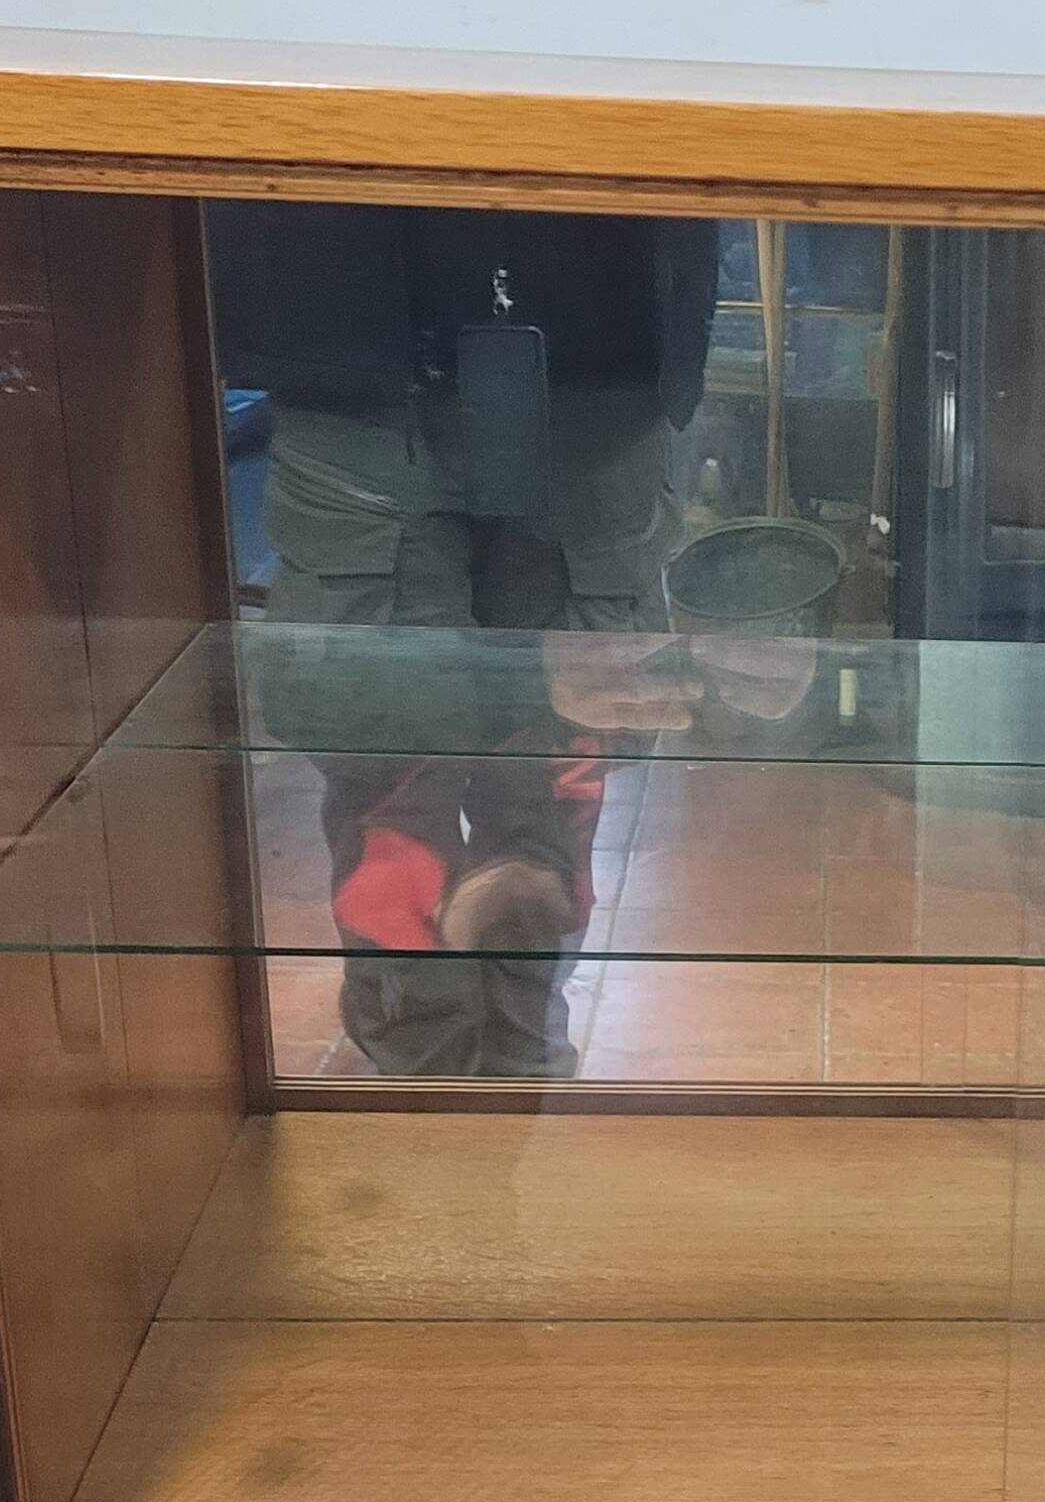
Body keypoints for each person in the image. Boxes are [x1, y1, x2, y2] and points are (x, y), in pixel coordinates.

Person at [206, 201, 719, 1075]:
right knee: (392, 763)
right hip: (357, 323)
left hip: (584, 325)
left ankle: (491, 1086)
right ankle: (436, 1098)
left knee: (543, 762)